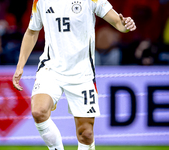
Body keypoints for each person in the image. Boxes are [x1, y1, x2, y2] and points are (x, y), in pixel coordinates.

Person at [12, 0, 136, 149]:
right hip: (51, 69)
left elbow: (118, 22)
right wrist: (20, 66)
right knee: (39, 111)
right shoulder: (40, 1)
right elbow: (32, 31)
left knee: (86, 134)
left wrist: (126, 25)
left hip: (82, 74)